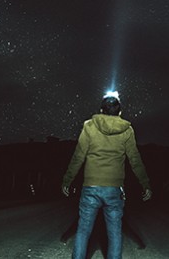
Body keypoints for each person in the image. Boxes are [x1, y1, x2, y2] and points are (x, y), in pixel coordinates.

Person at [62, 92, 152, 259]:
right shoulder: (127, 130)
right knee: (115, 232)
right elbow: (135, 159)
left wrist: (67, 180)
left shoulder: (89, 126)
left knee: (83, 230)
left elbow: (78, 156)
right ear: (120, 112)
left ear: (101, 111)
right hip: (115, 189)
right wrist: (145, 183)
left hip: (91, 186)